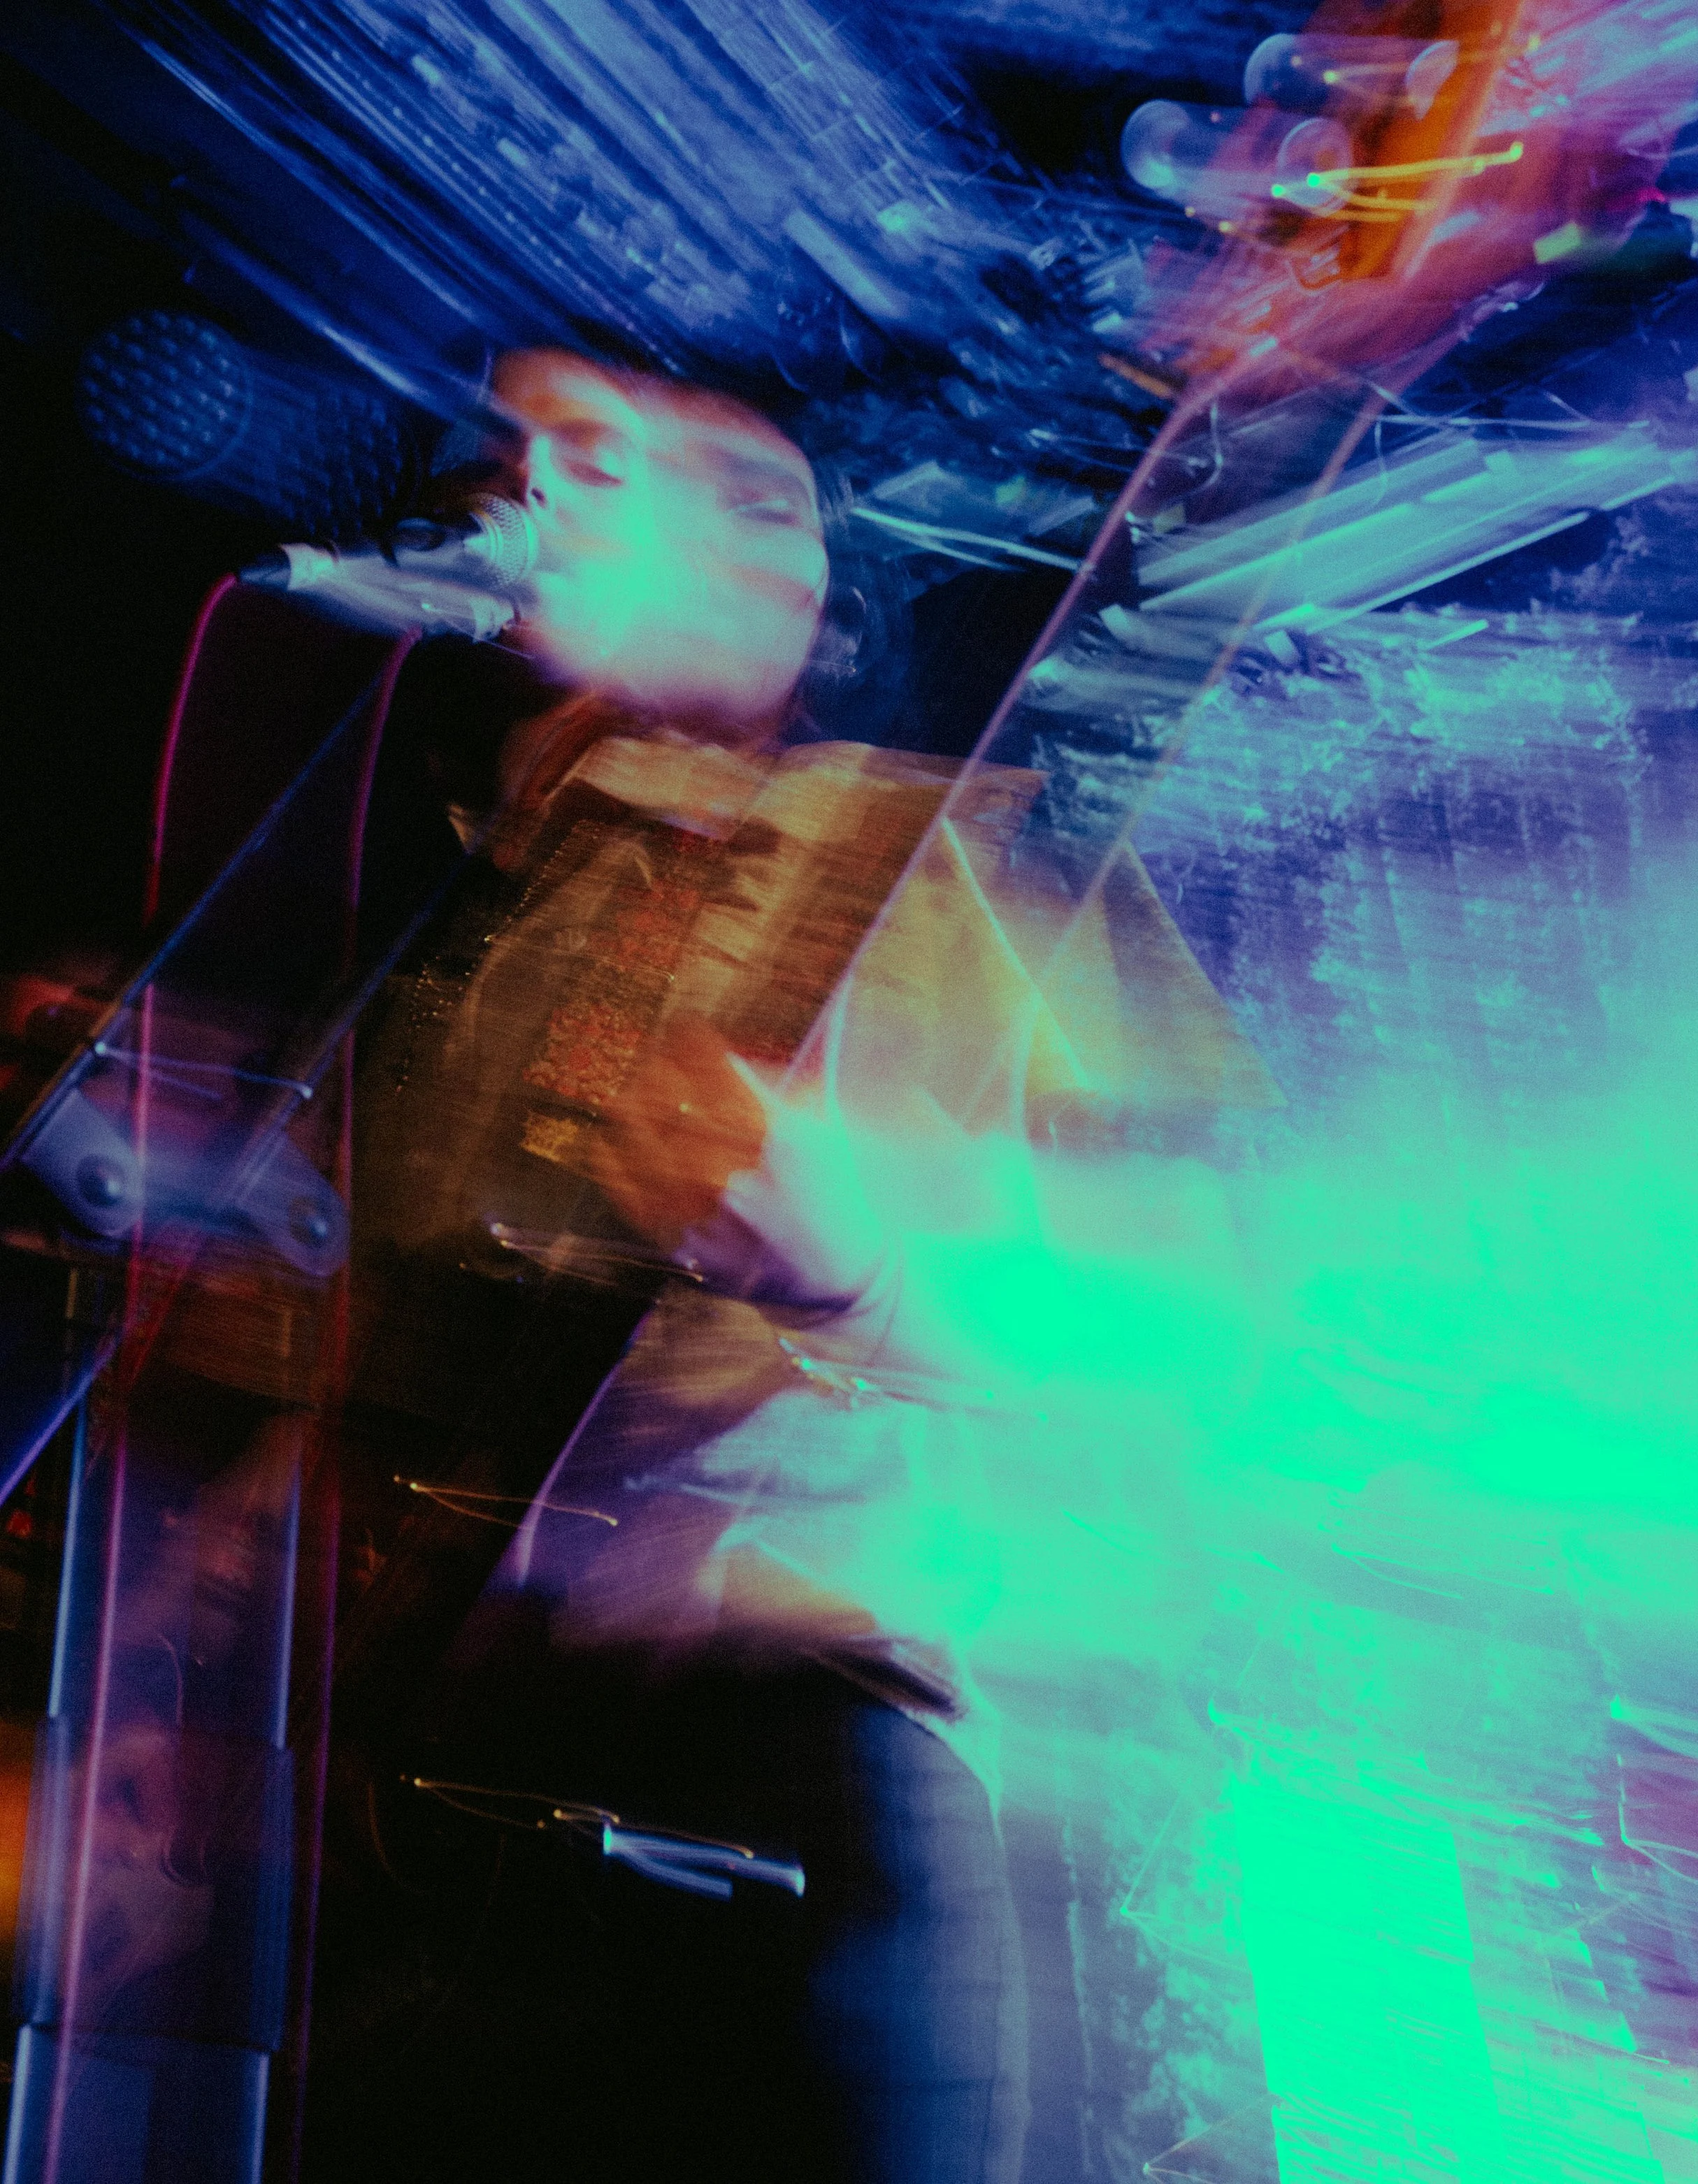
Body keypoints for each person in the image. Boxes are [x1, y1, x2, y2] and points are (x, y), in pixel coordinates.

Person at [322, 347, 1274, 2182]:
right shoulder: (487, 928)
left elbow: (1193, 1323)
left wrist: (864, 1267)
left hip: (795, 1784)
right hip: (461, 1781)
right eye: (524, 447)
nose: (525, 487)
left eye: (600, 458)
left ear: (776, 551)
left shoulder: (944, 863)